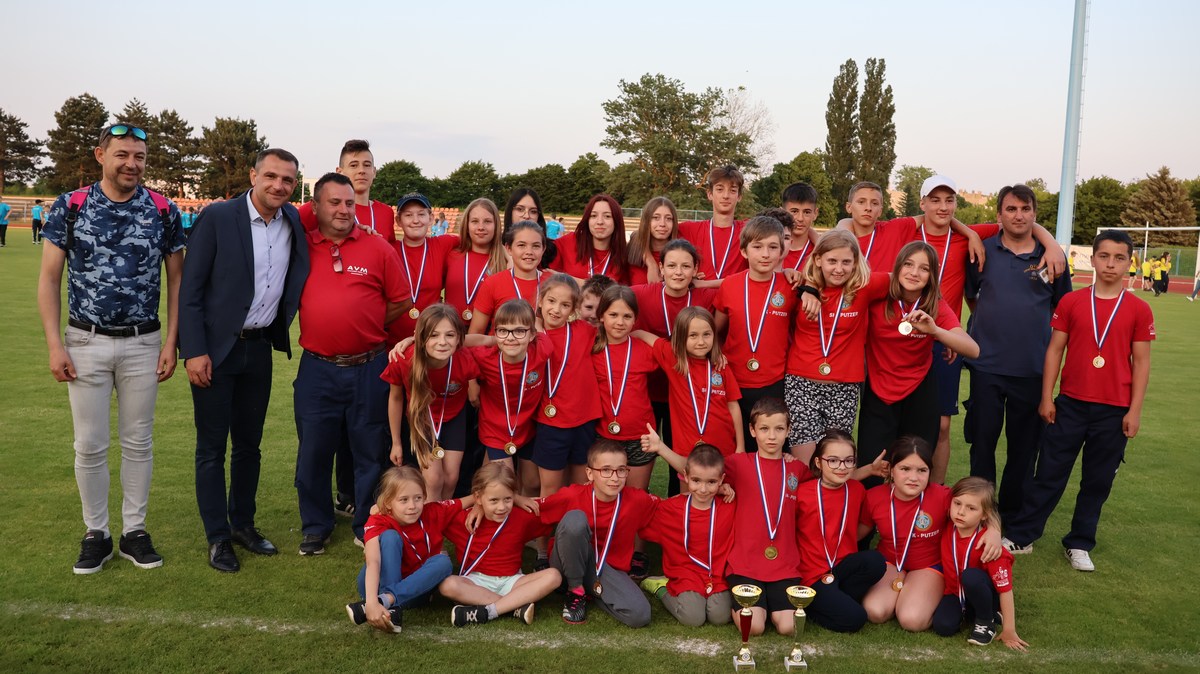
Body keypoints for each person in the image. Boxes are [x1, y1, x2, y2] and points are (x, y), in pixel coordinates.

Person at [37, 123, 186, 574]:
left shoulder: (162, 208)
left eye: (139, 157)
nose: (131, 164)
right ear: (101, 155)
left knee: (139, 442)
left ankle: (134, 532)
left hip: (144, 342)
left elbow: (177, 281)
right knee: (89, 444)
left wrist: (172, 341)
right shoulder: (71, 205)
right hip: (85, 341)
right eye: (122, 154)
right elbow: (49, 279)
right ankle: (96, 533)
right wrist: (55, 345)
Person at [180, 148, 309, 573]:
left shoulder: (293, 221)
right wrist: (194, 350)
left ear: (294, 184)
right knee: (211, 448)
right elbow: (190, 289)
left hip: (259, 349)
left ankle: (243, 525)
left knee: (249, 446)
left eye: (287, 180)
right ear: (253, 175)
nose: (278, 185)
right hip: (215, 351)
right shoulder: (218, 217)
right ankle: (217, 537)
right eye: (270, 176)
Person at [1003, 230, 1154, 572]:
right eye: (1104, 256)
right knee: (1049, 474)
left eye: (1119, 258)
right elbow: (1054, 351)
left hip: (1114, 410)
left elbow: (1142, 363)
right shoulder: (1072, 302)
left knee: (1097, 480)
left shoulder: (1139, 309)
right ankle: (1023, 535)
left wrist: (1134, 410)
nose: (1111, 264)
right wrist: (1047, 397)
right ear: (1093, 259)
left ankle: (1080, 543)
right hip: (1070, 404)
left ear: (1129, 262)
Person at [293, 172, 410, 556]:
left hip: (368, 366)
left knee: (369, 450)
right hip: (317, 368)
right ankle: (316, 526)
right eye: (334, 202)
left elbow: (400, 300)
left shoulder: (377, 247)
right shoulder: (302, 246)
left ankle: (366, 521)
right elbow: (289, 216)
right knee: (313, 451)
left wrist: (367, 323)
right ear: (316, 206)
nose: (344, 210)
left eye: (349, 203)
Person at [643, 398, 807, 636]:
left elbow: (823, 485)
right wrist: (661, 448)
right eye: (764, 429)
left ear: (788, 431)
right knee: (754, 628)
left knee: (789, 627)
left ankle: (773, 605)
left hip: (784, 564)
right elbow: (697, 469)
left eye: (779, 429)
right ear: (752, 430)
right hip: (745, 564)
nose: (771, 436)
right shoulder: (739, 463)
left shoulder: (797, 469)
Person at [964, 185, 1072, 523]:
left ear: (1035, 214)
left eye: (1025, 209)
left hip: (1032, 369)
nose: (1019, 215)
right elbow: (971, 296)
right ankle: (981, 512)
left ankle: (1012, 517)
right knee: (982, 444)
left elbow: (1063, 311)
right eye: (1011, 209)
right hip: (986, 367)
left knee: (1023, 450)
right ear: (999, 215)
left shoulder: (1051, 257)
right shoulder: (982, 251)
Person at [858, 241, 979, 485]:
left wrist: (937, 332)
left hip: (920, 392)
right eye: (908, 264)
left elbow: (973, 349)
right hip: (879, 391)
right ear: (897, 267)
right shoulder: (878, 296)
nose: (914, 273)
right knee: (872, 470)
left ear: (932, 275)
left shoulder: (934, 304)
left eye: (924, 269)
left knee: (914, 468)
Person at [858, 437, 1001, 632]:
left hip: (929, 566)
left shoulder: (943, 496)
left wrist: (994, 530)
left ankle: (925, 597)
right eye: (905, 469)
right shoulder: (874, 496)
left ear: (930, 472)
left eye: (922, 470)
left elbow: (980, 506)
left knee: (912, 620)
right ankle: (903, 592)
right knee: (875, 612)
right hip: (890, 562)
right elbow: (859, 532)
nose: (913, 477)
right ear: (891, 470)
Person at [785, 230, 889, 462]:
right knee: (805, 464)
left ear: (855, 263)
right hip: (801, 385)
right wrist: (806, 286)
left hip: (844, 387)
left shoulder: (864, 287)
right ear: (818, 259)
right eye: (832, 261)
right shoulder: (799, 288)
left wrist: (945, 322)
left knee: (835, 461)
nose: (839, 269)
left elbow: (907, 279)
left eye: (846, 262)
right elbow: (770, 278)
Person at [538, 439, 659, 627]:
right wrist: (513, 500)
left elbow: (676, 509)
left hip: (606, 568)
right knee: (575, 520)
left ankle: (592, 591)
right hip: (565, 562)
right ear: (590, 473)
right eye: (606, 470)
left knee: (640, 615)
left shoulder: (636, 500)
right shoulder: (573, 495)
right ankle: (575, 589)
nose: (615, 477)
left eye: (621, 470)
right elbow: (535, 511)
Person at [346, 466, 466, 633]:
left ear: (425, 497)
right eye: (404, 500)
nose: (412, 506)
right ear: (388, 502)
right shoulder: (378, 520)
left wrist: (479, 506)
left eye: (418, 498)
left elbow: (472, 499)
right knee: (390, 537)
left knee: (444, 562)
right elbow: (373, 561)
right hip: (374, 586)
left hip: (413, 590)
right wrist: (371, 601)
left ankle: (386, 602)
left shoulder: (433, 511)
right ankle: (384, 605)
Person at [440, 462, 560, 626]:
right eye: (494, 500)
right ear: (478, 497)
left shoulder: (522, 516)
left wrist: (519, 499)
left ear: (514, 495)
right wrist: (474, 503)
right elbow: (433, 513)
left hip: (513, 582)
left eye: (507, 499)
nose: (501, 507)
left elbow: (557, 505)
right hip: (475, 582)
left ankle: (488, 611)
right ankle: (514, 606)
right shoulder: (464, 519)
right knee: (448, 585)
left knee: (553, 576)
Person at [714, 216, 796, 453]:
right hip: (734, 382)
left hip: (775, 382)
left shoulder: (790, 287)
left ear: (782, 251)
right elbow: (716, 331)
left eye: (773, 247)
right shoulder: (730, 285)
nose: (765, 254)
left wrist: (807, 288)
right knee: (737, 451)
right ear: (744, 251)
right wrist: (717, 354)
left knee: (771, 448)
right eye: (757, 247)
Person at [381, 305, 480, 500]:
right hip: (422, 417)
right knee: (434, 480)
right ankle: (428, 519)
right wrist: (396, 442)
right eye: (434, 335)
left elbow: (484, 341)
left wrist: (499, 338)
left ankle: (442, 516)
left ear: (459, 338)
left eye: (449, 335)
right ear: (421, 337)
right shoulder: (403, 359)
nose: (442, 342)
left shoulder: (464, 358)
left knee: (451, 479)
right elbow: (395, 398)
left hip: (454, 417)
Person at [795, 430, 887, 633]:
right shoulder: (802, 493)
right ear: (818, 462)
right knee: (856, 618)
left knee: (875, 561)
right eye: (833, 461)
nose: (841, 467)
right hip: (811, 575)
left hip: (841, 567)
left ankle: (835, 599)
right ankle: (808, 605)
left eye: (848, 461)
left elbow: (864, 524)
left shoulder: (856, 490)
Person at [638, 444, 735, 627]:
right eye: (696, 481)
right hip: (685, 574)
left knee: (720, 616)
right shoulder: (670, 508)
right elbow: (636, 509)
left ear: (722, 479)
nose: (703, 489)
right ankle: (661, 587)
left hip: (716, 575)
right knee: (693, 618)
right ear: (686, 476)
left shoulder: (730, 506)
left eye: (711, 482)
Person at [633, 307, 744, 460]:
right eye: (693, 335)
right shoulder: (673, 359)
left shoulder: (721, 366)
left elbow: (733, 406)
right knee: (688, 476)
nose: (701, 342)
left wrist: (740, 446)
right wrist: (627, 336)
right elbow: (641, 334)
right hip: (686, 450)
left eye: (707, 334)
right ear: (680, 337)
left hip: (724, 447)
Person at [932, 477, 1026, 650]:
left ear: (985, 514)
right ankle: (983, 613)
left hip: (983, 591)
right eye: (957, 504)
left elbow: (1005, 589)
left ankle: (986, 620)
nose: (961, 512)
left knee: (971, 576)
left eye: (971, 508)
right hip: (955, 593)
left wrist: (1009, 630)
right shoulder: (948, 525)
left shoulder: (991, 547)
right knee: (943, 627)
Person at [533, 274, 600, 496]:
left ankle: (576, 520)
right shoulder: (530, 335)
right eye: (551, 301)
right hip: (550, 422)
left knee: (581, 487)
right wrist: (535, 326)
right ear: (540, 300)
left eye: (565, 305)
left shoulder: (583, 330)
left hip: (583, 420)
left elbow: (610, 293)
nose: (556, 310)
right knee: (550, 489)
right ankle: (551, 520)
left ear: (573, 309)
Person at [298, 139, 397, 244]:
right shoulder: (318, 207)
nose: (361, 171)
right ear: (339, 172)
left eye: (367, 165)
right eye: (353, 165)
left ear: (374, 172)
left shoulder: (386, 213)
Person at [469, 221, 546, 334]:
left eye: (536, 246)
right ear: (509, 249)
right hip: (501, 345)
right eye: (521, 245)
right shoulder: (493, 283)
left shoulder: (553, 284)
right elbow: (476, 332)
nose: (529, 252)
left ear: (543, 249)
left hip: (543, 345)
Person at [678, 165, 748, 282]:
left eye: (732, 190)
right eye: (720, 189)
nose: (726, 196)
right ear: (709, 194)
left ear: (739, 196)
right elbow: (650, 235)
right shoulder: (689, 229)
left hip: (736, 294)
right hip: (699, 294)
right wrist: (650, 262)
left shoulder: (748, 230)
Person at [443, 198, 507, 324]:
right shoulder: (452, 255)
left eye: (487, 221)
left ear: (496, 225)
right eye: (474, 221)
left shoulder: (504, 262)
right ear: (467, 226)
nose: (481, 227)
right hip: (450, 330)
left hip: (486, 333)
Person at [550, 194, 630, 284]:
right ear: (587, 219)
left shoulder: (624, 255)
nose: (600, 222)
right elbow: (544, 273)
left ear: (616, 221)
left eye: (607, 216)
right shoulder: (567, 242)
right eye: (593, 216)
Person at [626, 196, 679, 284]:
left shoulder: (681, 253)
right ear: (646, 221)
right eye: (656, 218)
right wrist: (652, 264)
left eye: (668, 218)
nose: (662, 224)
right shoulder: (632, 250)